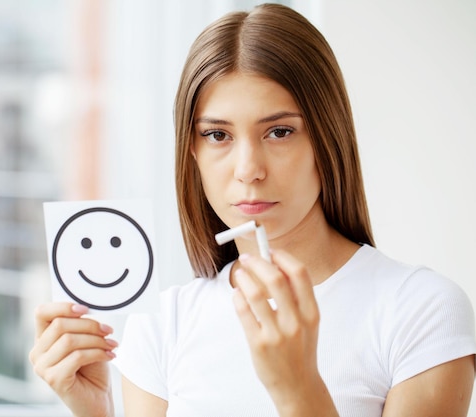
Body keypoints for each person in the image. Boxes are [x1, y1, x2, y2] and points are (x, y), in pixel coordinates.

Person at [29, 3, 476, 416]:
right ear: (192, 153)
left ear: (327, 137)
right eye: (217, 136)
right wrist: (96, 412)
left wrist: (299, 388)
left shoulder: (422, 311)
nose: (248, 170)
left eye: (279, 132)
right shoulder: (163, 326)